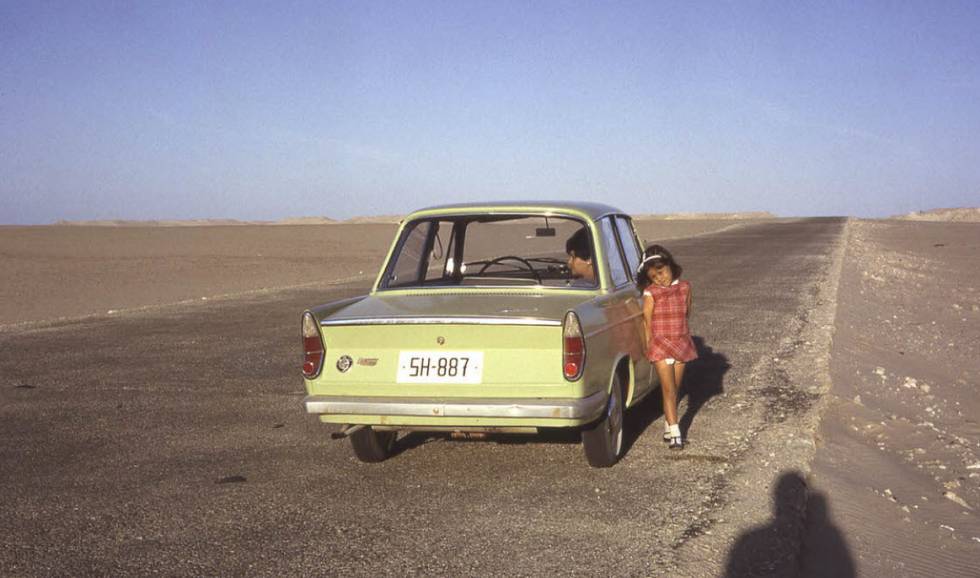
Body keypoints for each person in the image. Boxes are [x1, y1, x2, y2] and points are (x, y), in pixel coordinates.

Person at [638, 244, 697, 449]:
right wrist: (649, 345)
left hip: (680, 343)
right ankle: (675, 434)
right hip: (661, 345)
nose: (659, 278)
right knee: (668, 390)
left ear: (670, 265)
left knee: (675, 390)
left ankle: (667, 425)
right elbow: (647, 321)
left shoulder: (685, 287)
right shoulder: (650, 293)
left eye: (661, 272)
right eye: (654, 277)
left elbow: (686, 313)